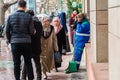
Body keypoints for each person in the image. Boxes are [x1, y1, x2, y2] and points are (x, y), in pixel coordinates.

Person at [5, 0, 36, 80]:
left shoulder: (10, 16)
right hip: (26, 42)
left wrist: (9, 40)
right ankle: (30, 78)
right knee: (28, 62)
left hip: (15, 42)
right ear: (25, 7)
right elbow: (32, 31)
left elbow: (7, 31)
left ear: (17, 6)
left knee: (16, 63)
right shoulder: (28, 16)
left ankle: (17, 79)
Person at [21, 10, 43, 80]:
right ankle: (39, 77)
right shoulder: (39, 23)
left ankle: (23, 77)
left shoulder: (27, 23)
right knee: (37, 63)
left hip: (28, 46)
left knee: (25, 63)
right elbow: (40, 34)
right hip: (37, 46)